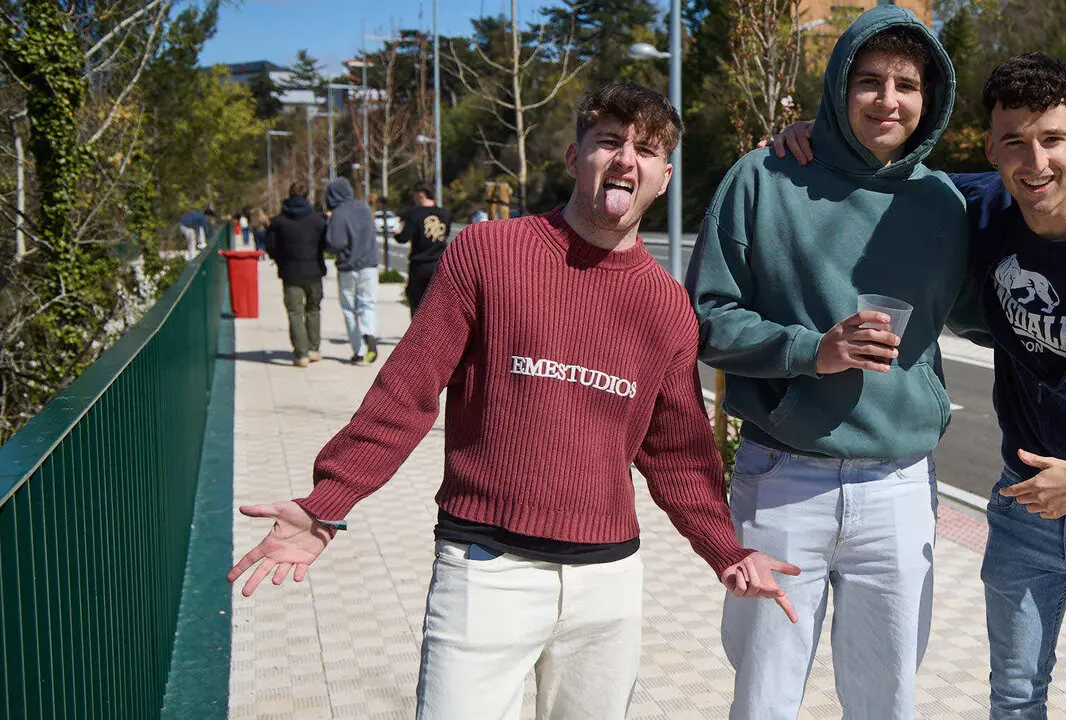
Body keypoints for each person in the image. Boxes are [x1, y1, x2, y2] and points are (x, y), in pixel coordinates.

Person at [227, 82, 799, 720]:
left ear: (664, 178)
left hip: (606, 584)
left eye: (647, 149)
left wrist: (725, 547)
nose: (625, 159)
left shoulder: (665, 306)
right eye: (608, 140)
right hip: (484, 570)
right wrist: (329, 500)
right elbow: (407, 391)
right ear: (572, 156)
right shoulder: (488, 255)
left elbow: (677, 453)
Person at [768, 52, 1066, 719]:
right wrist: (807, 140)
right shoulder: (984, 208)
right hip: (1024, 509)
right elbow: (887, 174)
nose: (1034, 162)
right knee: (1014, 700)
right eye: (1014, 142)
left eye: (1050, 138)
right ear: (990, 148)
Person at [684, 7, 964, 718]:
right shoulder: (765, 177)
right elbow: (705, 320)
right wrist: (815, 351)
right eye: (868, 81)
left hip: (899, 487)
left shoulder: (947, 202)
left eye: (906, 84)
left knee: (887, 700)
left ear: (930, 99)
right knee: (764, 695)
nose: (888, 99)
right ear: (839, 87)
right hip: (783, 478)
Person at [267, 183, 328, 367]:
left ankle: (301, 354)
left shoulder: (278, 222)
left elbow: (270, 247)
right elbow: (325, 244)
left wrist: (281, 260)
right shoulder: (318, 220)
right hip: (314, 271)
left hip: (290, 272)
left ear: (288, 196)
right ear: (307, 197)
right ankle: (314, 349)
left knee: (295, 313)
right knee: (313, 309)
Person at [323, 177, 380, 365]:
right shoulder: (364, 208)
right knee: (367, 305)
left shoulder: (338, 213)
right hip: (369, 265)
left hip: (348, 267)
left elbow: (334, 244)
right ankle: (368, 332)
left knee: (349, 309)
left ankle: (359, 351)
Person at [394, 184, 451, 313]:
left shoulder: (414, 215)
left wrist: (397, 233)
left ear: (421, 195)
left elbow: (403, 238)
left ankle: (419, 332)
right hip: (440, 264)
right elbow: (445, 235)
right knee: (438, 305)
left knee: (417, 304)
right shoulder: (445, 214)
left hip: (419, 264)